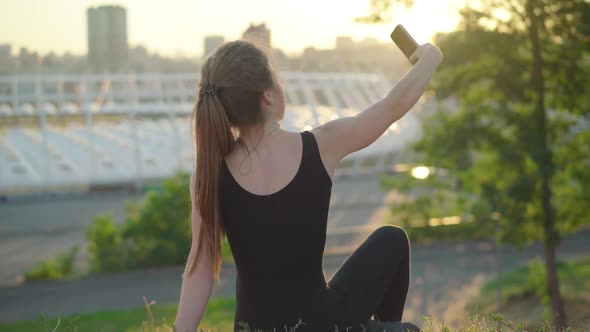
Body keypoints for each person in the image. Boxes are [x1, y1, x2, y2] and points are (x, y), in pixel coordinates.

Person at [174, 39, 443, 332]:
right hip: (320, 324)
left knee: (391, 239)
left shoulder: (209, 172)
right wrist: (431, 56)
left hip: (253, 328)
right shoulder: (320, 145)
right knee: (395, 261)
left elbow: (199, 269)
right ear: (269, 95)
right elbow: (392, 107)